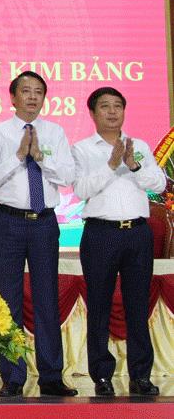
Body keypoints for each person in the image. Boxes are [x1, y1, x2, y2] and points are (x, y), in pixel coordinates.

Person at [0, 71, 78, 397]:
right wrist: (18, 156)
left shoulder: (55, 132)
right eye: (26, 91)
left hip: (44, 223)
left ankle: (51, 376)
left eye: (38, 91)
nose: (33, 97)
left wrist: (40, 158)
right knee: (7, 300)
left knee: (46, 297)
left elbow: (67, 176)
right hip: (8, 222)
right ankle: (12, 378)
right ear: (13, 97)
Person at [72, 87, 163, 397]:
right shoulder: (82, 150)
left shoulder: (140, 146)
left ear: (124, 111)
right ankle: (102, 376)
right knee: (99, 306)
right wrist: (111, 165)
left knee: (138, 306)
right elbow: (81, 189)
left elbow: (158, 183)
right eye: (105, 106)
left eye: (117, 106)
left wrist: (133, 165)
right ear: (92, 113)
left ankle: (141, 376)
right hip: (101, 234)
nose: (112, 112)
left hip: (138, 233)